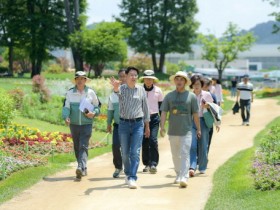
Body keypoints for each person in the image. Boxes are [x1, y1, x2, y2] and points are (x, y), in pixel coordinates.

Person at [110, 66, 150, 189]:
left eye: (135, 75)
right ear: (126, 77)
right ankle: (127, 173)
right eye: (131, 75)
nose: (133, 77)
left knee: (135, 152)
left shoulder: (141, 90)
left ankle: (132, 177)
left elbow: (145, 108)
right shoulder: (121, 89)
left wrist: (147, 126)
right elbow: (116, 92)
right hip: (124, 124)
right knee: (125, 153)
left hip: (138, 124)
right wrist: (115, 87)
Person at [160, 71, 200, 188]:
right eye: (177, 79)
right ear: (175, 81)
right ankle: (178, 174)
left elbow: (195, 114)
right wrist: (162, 127)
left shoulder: (191, 96)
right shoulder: (169, 96)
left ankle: (184, 176)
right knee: (175, 155)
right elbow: (163, 112)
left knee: (184, 153)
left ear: (185, 82)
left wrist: (198, 129)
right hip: (173, 131)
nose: (179, 81)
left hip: (186, 130)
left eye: (181, 79)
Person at [62, 71, 101, 180]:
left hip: (87, 124)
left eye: (82, 78)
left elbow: (97, 107)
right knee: (77, 146)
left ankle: (80, 167)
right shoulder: (70, 93)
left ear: (85, 80)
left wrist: (94, 113)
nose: (80, 81)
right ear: (75, 80)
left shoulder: (91, 93)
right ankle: (83, 168)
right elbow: (66, 107)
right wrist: (66, 117)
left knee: (83, 145)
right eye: (78, 78)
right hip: (74, 124)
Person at [189, 75, 217, 177]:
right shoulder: (188, 95)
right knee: (192, 145)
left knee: (203, 145)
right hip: (191, 122)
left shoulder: (207, 95)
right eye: (194, 84)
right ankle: (192, 167)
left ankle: (202, 167)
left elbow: (214, 109)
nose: (196, 86)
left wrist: (207, 106)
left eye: (198, 84)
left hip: (203, 121)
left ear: (202, 85)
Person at [139, 70, 164, 174]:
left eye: (150, 79)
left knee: (153, 140)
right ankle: (146, 164)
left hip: (154, 119)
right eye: (146, 79)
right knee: (144, 142)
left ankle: (153, 163)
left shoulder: (158, 91)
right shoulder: (139, 90)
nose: (148, 81)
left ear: (153, 80)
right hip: (141, 119)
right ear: (143, 79)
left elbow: (161, 108)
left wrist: (162, 123)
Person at [107, 69, 126, 178]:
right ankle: (118, 167)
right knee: (115, 146)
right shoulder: (113, 94)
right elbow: (110, 110)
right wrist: (108, 123)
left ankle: (129, 168)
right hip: (118, 125)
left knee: (127, 148)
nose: (123, 79)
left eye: (124, 76)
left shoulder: (133, 90)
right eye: (121, 76)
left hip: (130, 124)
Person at [202, 77, 217, 153]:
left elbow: (215, 110)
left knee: (207, 140)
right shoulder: (195, 94)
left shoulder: (212, 96)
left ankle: (205, 156)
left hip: (208, 121)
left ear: (208, 86)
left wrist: (217, 122)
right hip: (198, 120)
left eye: (205, 85)